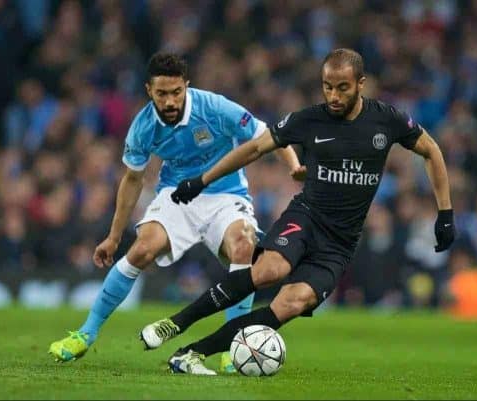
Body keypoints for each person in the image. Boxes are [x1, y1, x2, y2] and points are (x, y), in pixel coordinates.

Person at [139, 48, 455, 375]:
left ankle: (191, 353)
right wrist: (203, 180)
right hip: (306, 218)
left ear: (361, 84)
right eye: (327, 86)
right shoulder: (309, 119)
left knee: (291, 304)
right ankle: (176, 324)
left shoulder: (387, 120)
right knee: (268, 270)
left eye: (342, 87)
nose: (333, 95)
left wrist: (445, 213)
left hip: (340, 243)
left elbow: (431, 150)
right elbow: (256, 147)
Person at [48, 52, 303, 373]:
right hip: (177, 195)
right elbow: (132, 180)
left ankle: (232, 348)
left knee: (244, 246)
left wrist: (294, 166)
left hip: (226, 194)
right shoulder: (143, 127)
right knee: (141, 250)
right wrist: (113, 237)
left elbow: (269, 135)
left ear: (187, 86)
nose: (170, 101)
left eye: (176, 92)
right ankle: (85, 334)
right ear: (148, 91)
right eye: (161, 94)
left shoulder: (214, 108)